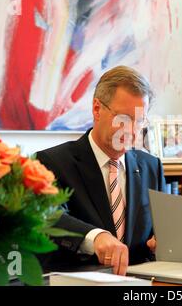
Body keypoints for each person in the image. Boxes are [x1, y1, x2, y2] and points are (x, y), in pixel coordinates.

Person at [36, 66, 166, 276]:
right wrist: (94, 237)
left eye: (140, 120)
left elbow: (159, 229)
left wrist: (163, 241)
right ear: (97, 109)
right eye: (124, 118)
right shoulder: (52, 162)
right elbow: (50, 218)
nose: (132, 130)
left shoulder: (151, 167)